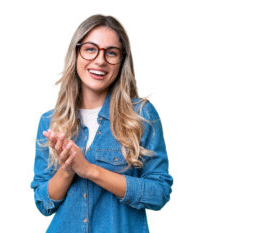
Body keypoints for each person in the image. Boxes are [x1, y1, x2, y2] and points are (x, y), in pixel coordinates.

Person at [31, 14, 173, 233]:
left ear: (122, 61)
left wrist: (89, 170)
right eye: (90, 49)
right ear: (76, 53)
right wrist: (68, 169)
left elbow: (159, 193)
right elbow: (44, 203)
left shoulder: (141, 115)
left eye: (111, 53)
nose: (100, 60)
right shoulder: (50, 121)